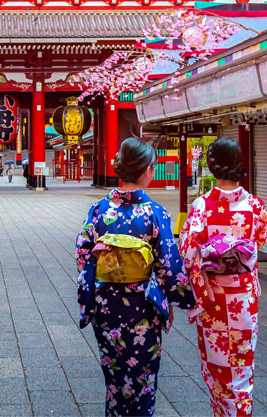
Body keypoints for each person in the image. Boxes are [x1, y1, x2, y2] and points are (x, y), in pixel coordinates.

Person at [75, 137, 195, 416]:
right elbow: (169, 264)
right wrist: (185, 301)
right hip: (142, 307)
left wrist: (100, 257)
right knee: (142, 379)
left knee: (115, 377)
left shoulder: (100, 210)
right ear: (147, 170)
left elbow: (83, 254)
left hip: (106, 306)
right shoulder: (154, 213)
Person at [179, 137, 267, 417]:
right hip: (243, 300)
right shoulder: (255, 206)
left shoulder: (201, 207)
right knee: (242, 369)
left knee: (217, 370)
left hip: (214, 300)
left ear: (212, 165)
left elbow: (187, 251)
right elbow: (261, 240)